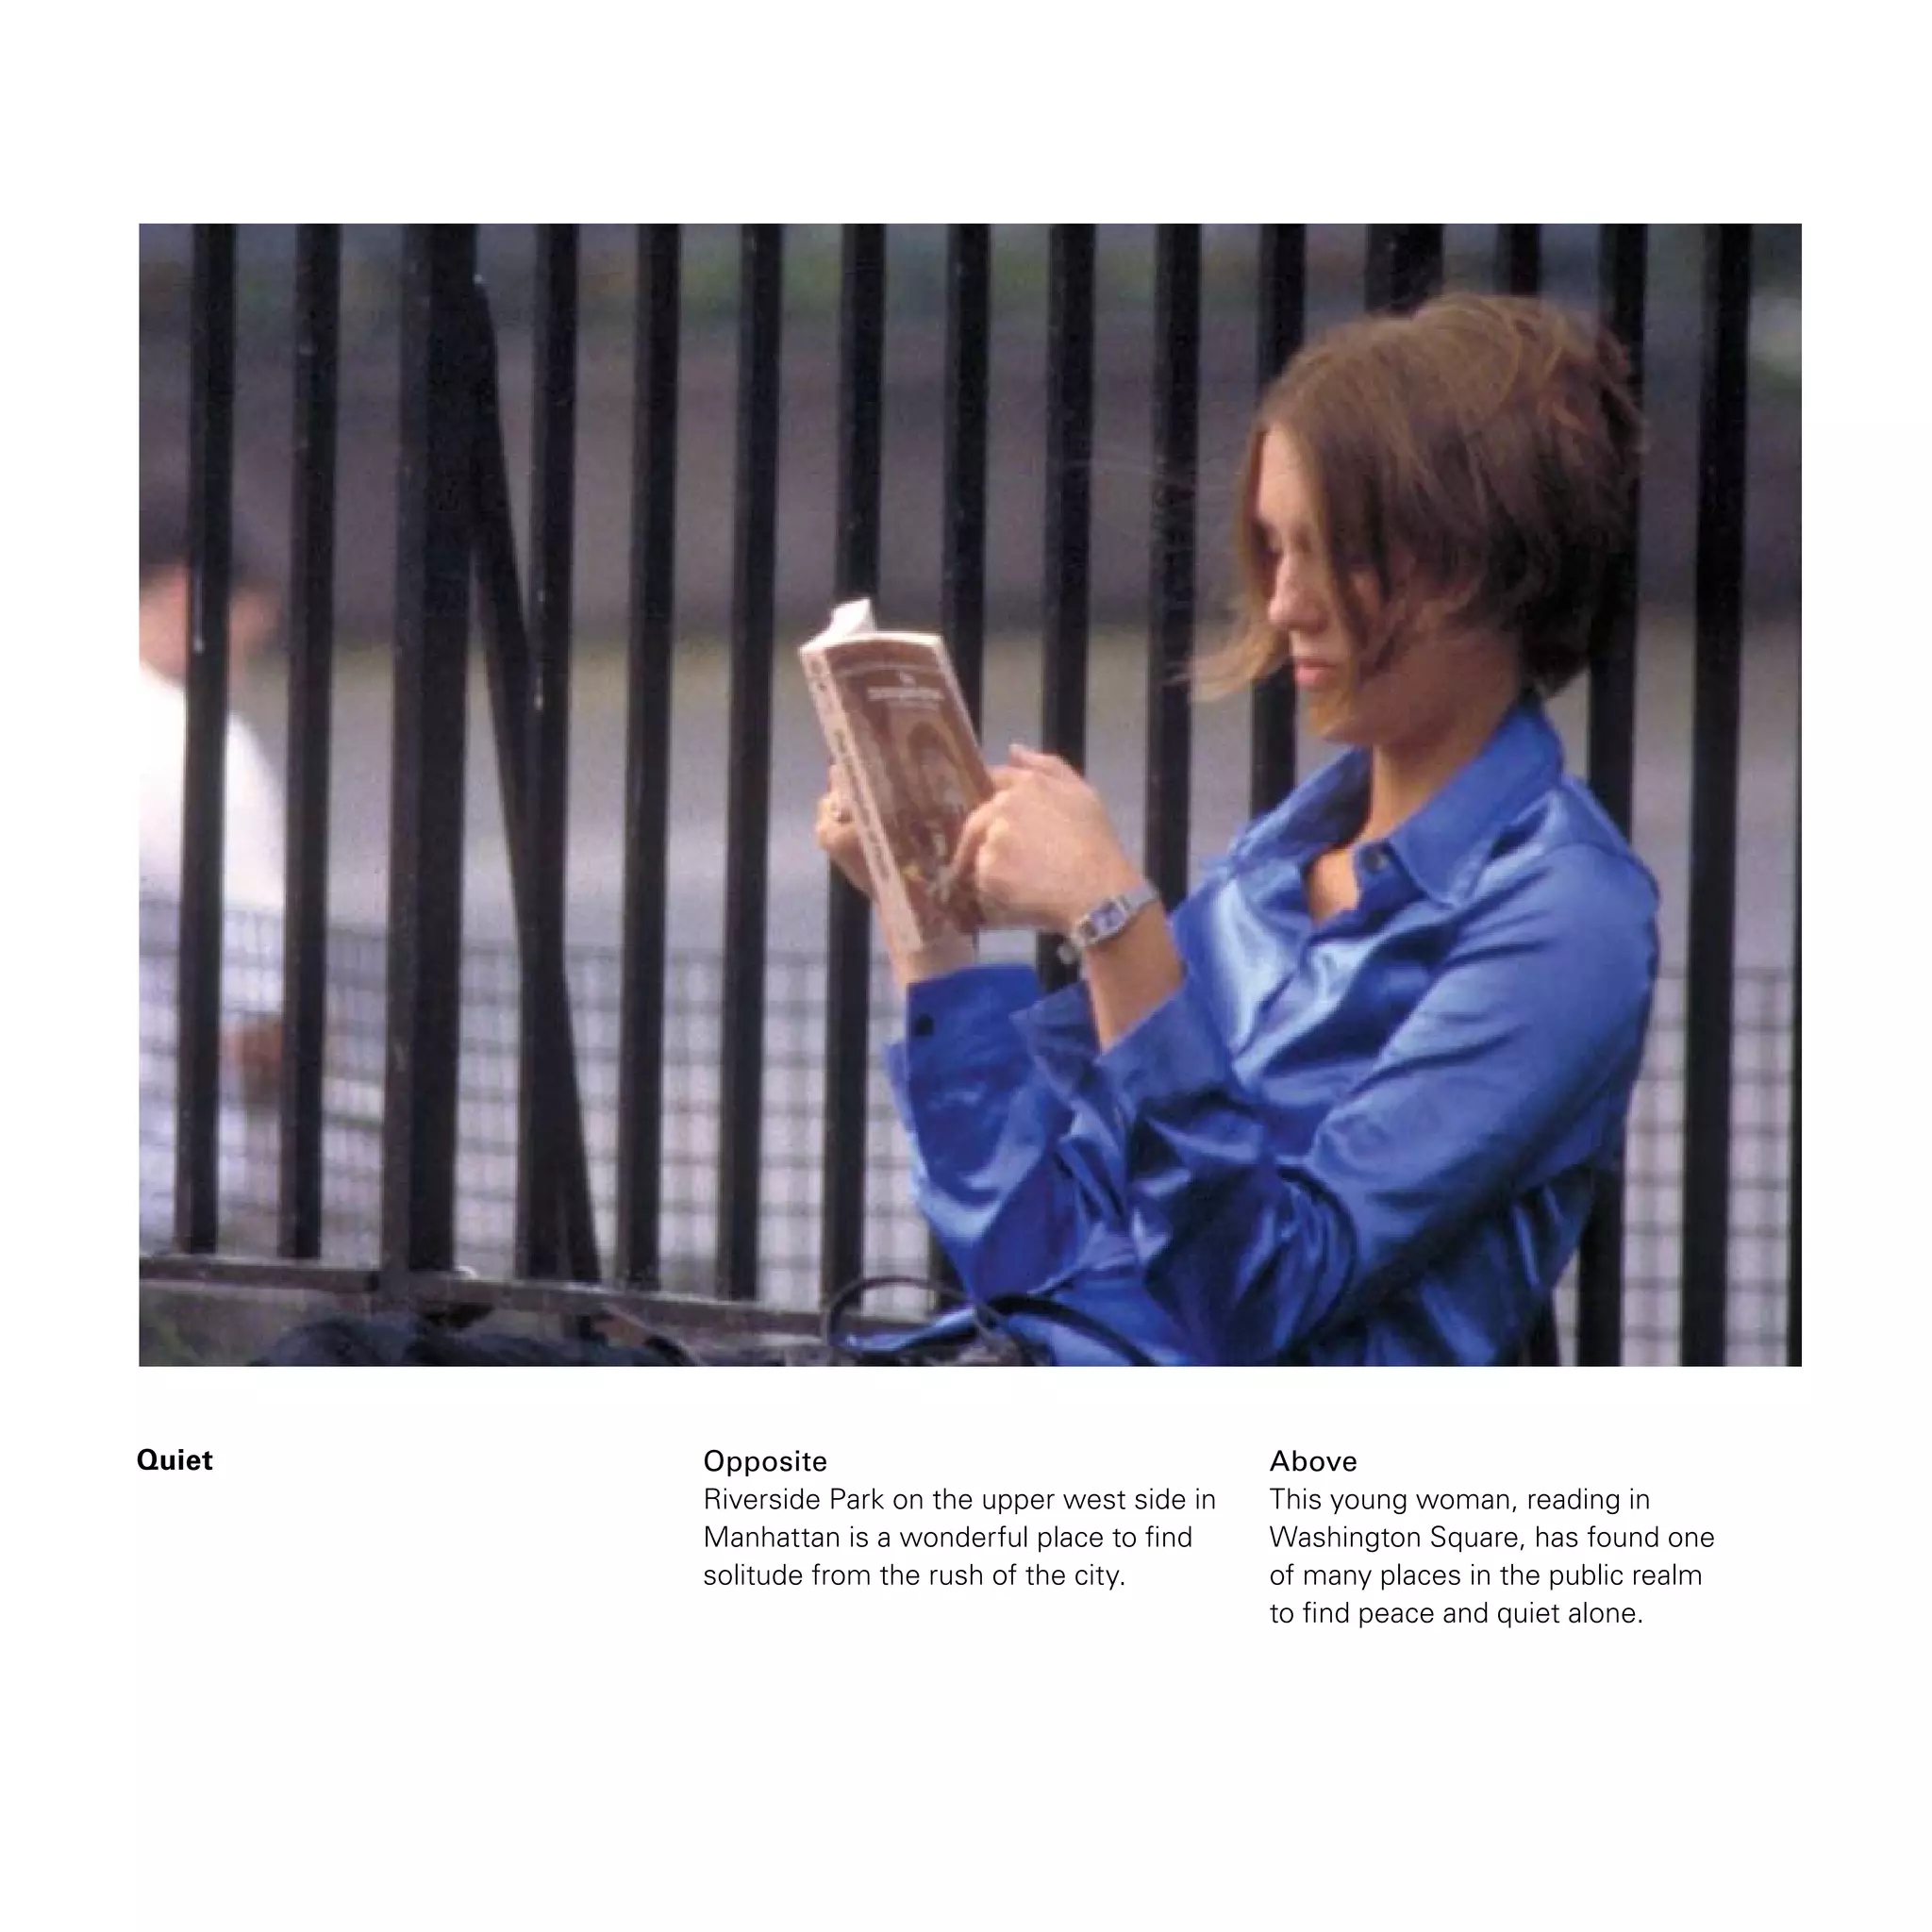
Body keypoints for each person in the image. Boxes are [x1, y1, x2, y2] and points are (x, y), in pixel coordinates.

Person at [815, 293, 1658, 1366]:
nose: (1286, 603)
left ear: (1474, 562)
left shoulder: (1563, 914)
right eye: (1273, 549)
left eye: (1333, 554)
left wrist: (1113, 920)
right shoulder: (1274, 869)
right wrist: (925, 922)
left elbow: (1260, 1294)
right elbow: (1032, 1253)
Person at [140, 488, 286, 1246]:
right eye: (243, 638)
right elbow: (258, 1009)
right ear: (191, 595)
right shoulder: (191, 745)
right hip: (158, 1193)